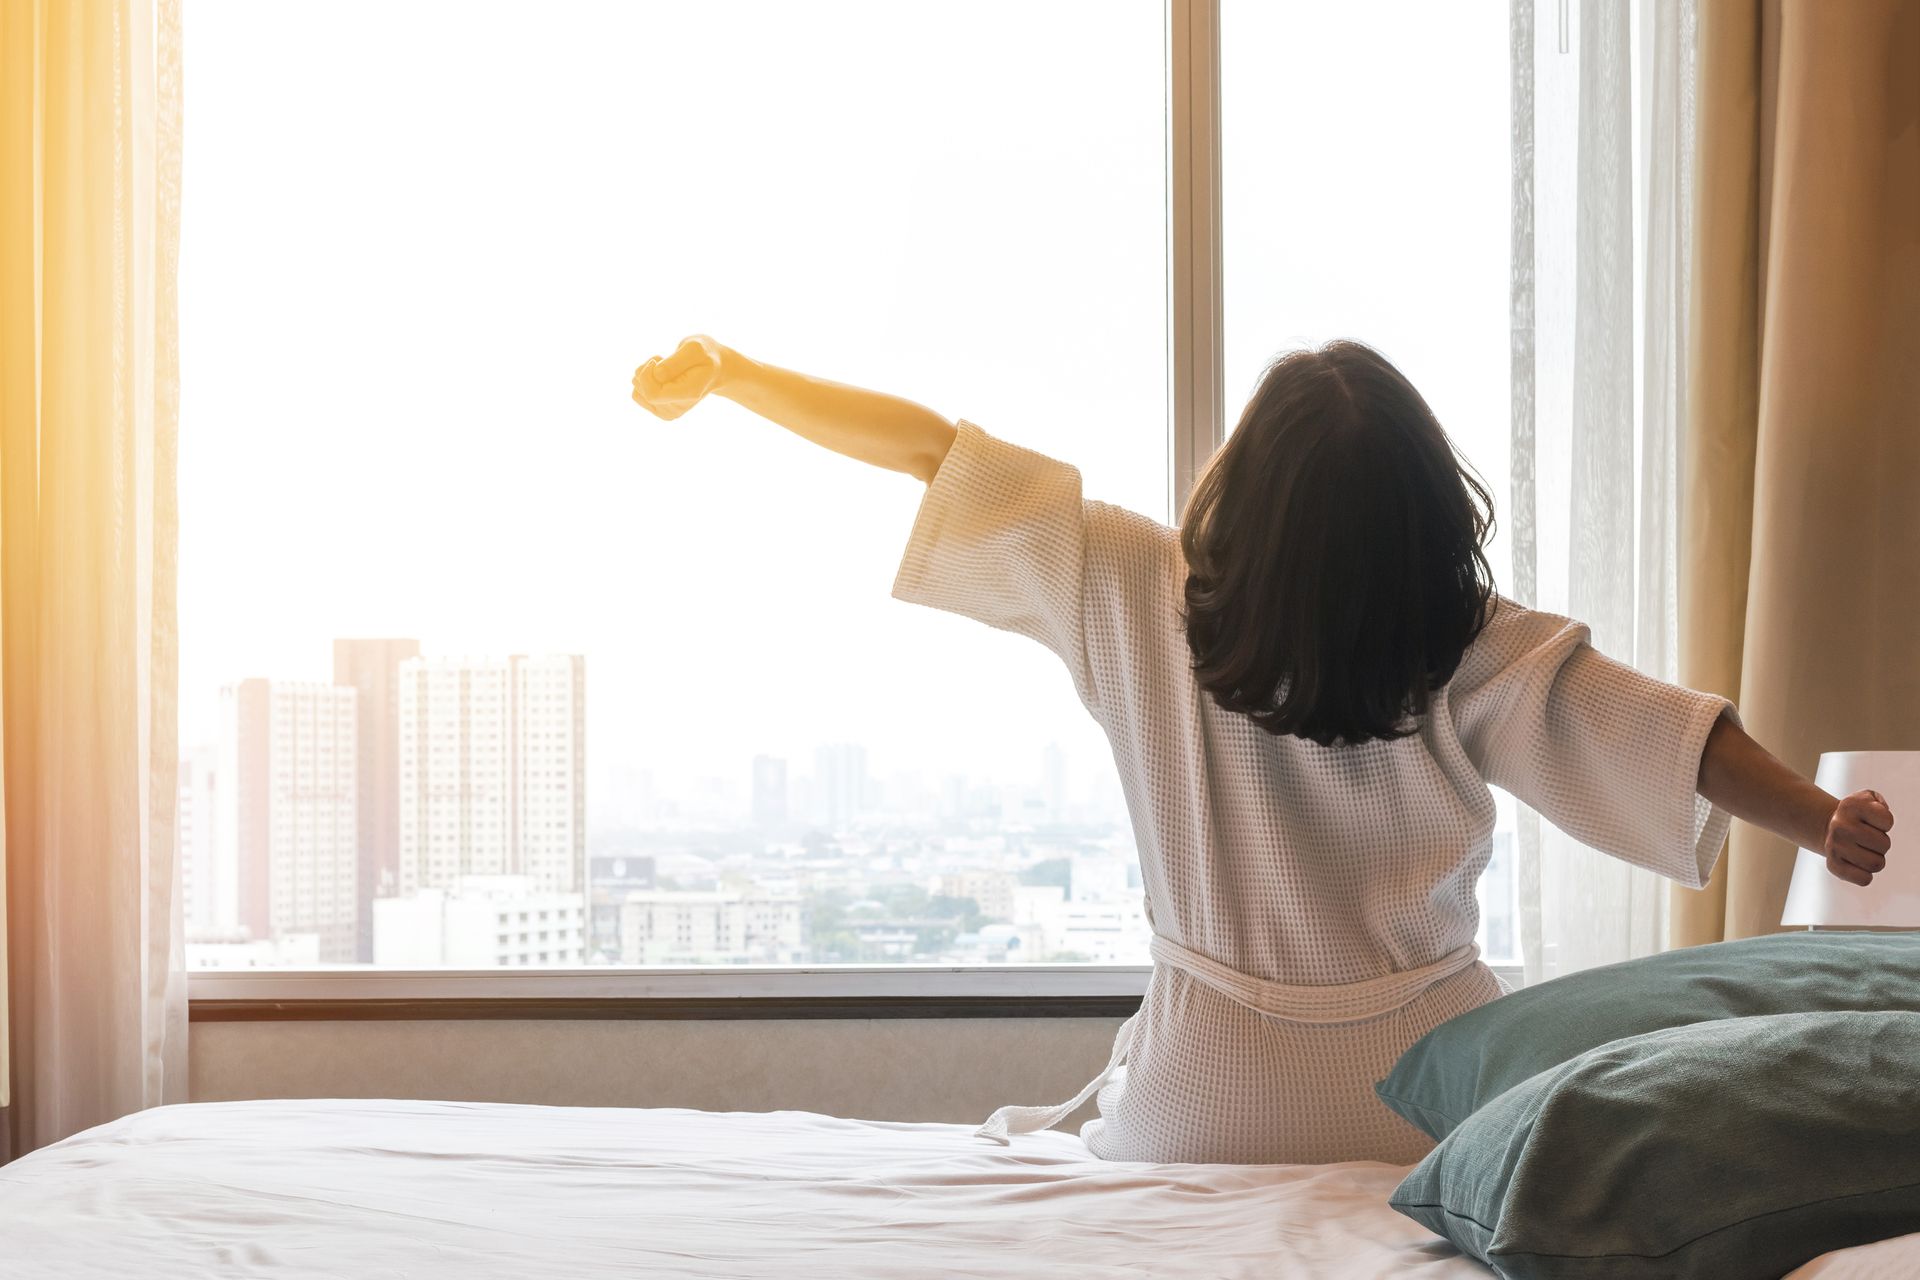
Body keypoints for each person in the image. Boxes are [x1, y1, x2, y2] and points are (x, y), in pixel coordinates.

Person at [630, 334, 1897, 1165]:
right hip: (1433, 1090)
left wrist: (737, 375)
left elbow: (934, 452)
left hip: (1203, 1094)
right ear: (1422, 514)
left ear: (1241, 484)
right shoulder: (1463, 639)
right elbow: (1664, 735)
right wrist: (1818, 817)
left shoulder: (1135, 587)